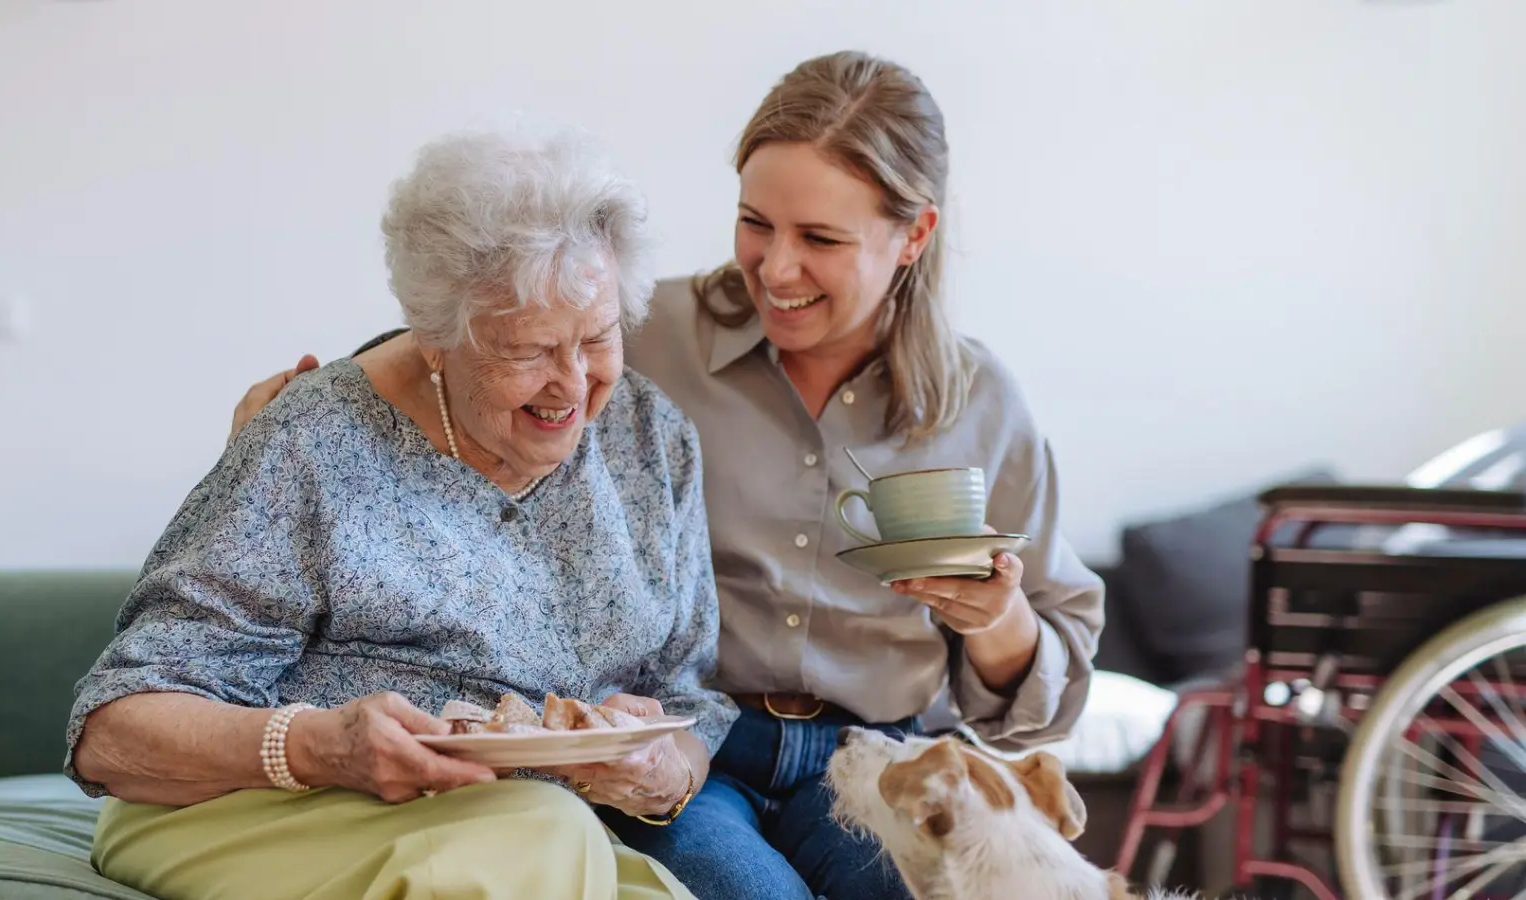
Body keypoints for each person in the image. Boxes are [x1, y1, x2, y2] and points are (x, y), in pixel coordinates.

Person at [232, 50, 1104, 900]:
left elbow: (1050, 682)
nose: (778, 267)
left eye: (822, 238)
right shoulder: (633, 331)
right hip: (692, 746)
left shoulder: (983, 403)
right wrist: (297, 419)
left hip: (876, 756)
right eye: (755, 222)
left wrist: (998, 621)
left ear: (914, 234)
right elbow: (460, 349)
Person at [65, 126, 738, 900]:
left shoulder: (652, 443)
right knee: (541, 837)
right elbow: (111, 736)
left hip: (511, 829)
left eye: (597, 337)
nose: (573, 384)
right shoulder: (314, 440)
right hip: (267, 807)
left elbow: (687, 703)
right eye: (529, 350)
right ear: (436, 340)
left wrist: (660, 771)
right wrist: (322, 747)